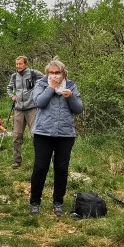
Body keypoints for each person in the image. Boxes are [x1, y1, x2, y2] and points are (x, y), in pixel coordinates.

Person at [29, 60, 84, 217]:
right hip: (43, 133)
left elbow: (79, 109)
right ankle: (35, 202)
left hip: (65, 134)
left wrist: (71, 97)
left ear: (63, 73)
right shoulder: (41, 84)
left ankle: (58, 202)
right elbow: (39, 102)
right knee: (40, 168)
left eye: (57, 73)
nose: (54, 76)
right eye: (51, 73)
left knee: (61, 169)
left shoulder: (71, 85)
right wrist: (51, 88)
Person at [7, 56, 44, 169]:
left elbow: (46, 80)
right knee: (16, 136)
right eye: (16, 64)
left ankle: (40, 160)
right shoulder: (14, 76)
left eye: (20, 63)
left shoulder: (34, 73)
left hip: (32, 108)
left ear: (26, 64)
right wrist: (12, 96)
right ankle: (17, 161)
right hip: (18, 109)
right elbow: (9, 88)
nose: (18, 66)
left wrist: (38, 94)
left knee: (35, 135)